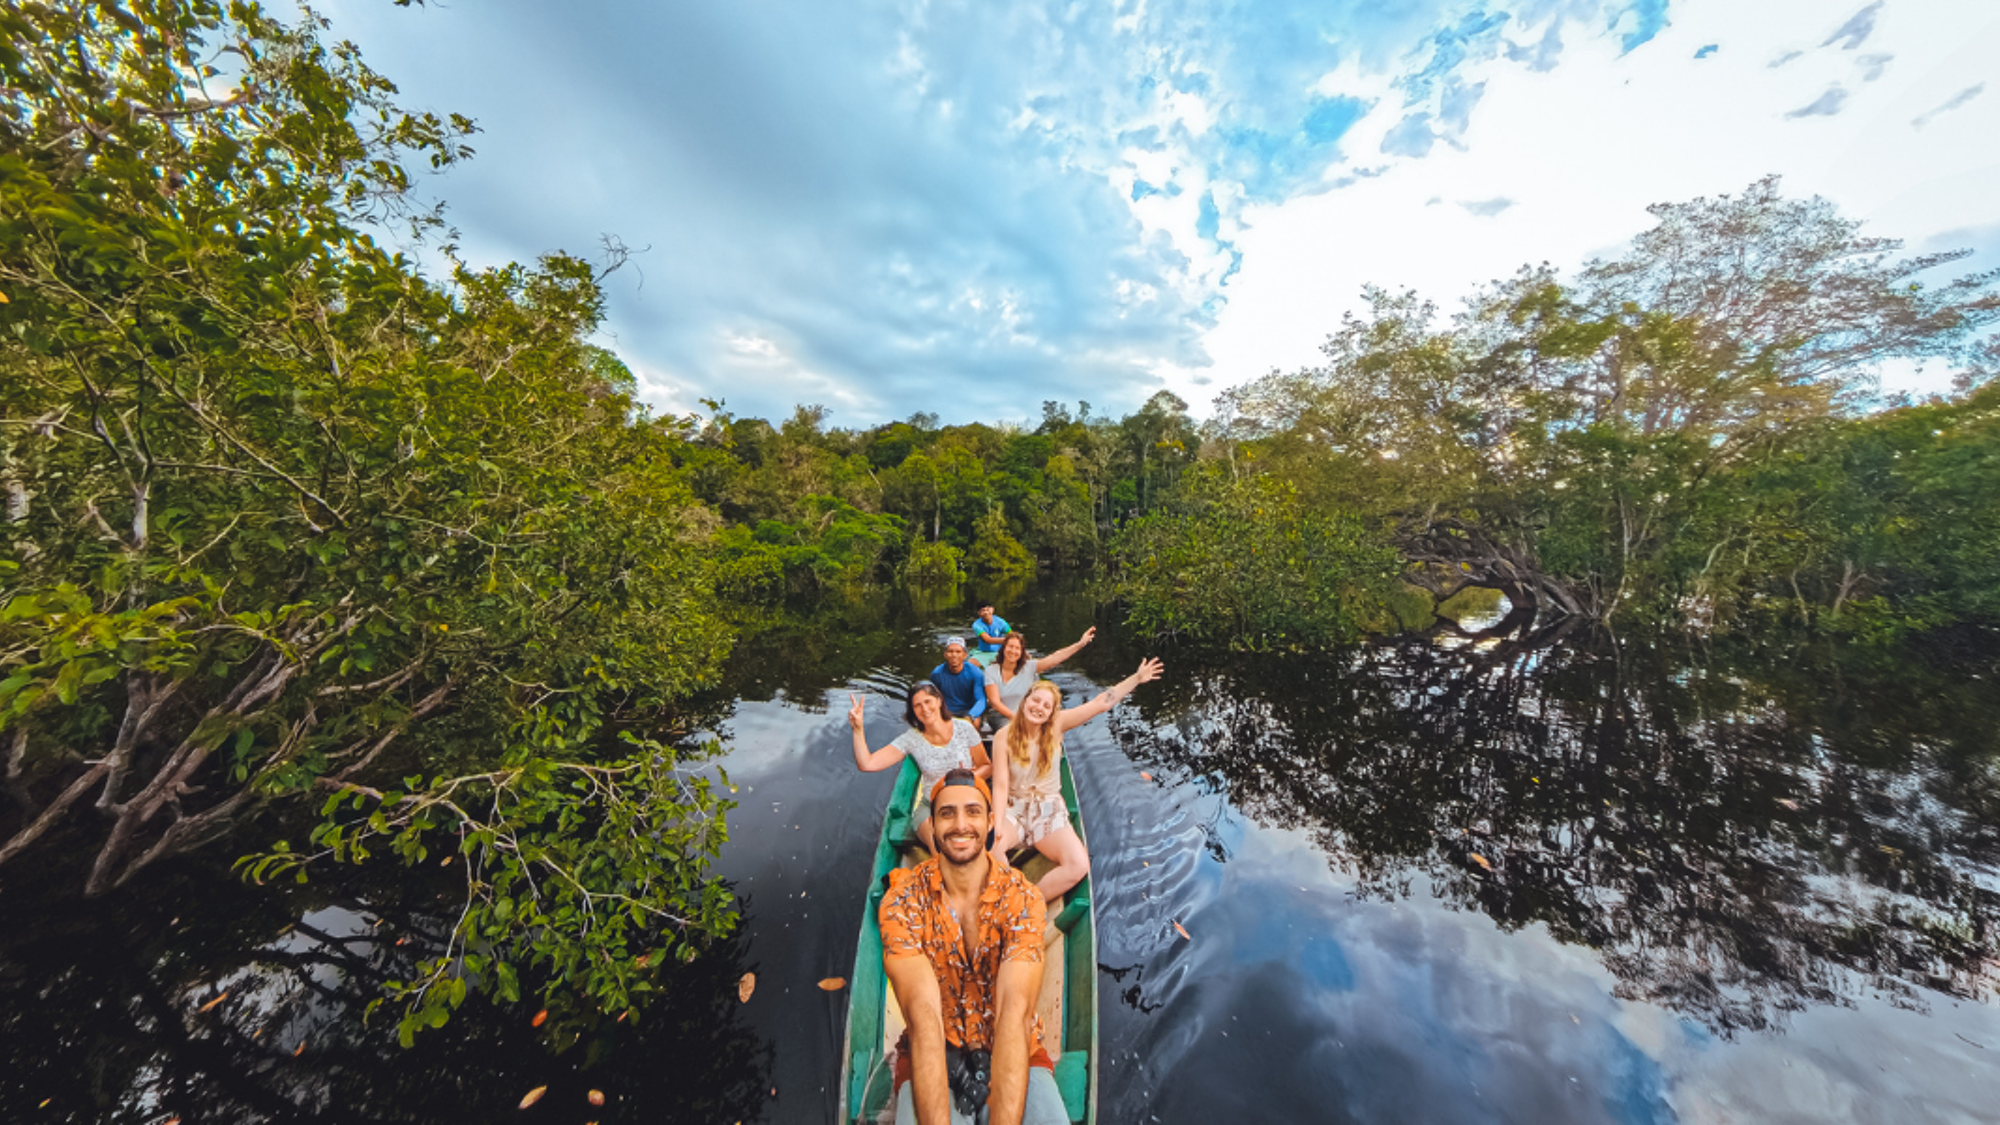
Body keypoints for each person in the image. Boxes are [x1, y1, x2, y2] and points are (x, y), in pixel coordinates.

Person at [880, 769, 1068, 1125]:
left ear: (991, 821)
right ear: (931, 825)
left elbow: (1015, 1011)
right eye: (947, 814)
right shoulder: (901, 901)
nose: (960, 824)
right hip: (933, 1049)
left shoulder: (1023, 899)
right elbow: (923, 1017)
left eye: (972, 811)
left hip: (1011, 1047)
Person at [993, 658, 1164, 902]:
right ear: (1025, 701)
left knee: (1078, 865)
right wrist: (998, 825)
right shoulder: (1003, 736)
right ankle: (1008, 895)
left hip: (1047, 809)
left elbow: (1101, 702)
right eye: (1035, 700)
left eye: (1046, 705)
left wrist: (1136, 678)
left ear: (1052, 712)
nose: (1039, 707)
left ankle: (1027, 904)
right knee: (990, 846)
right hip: (1015, 808)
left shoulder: (1057, 726)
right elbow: (999, 785)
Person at [850, 683, 1000, 853]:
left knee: (983, 842)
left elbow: (986, 766)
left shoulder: (964, 728)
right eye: (917, 705)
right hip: (931, 806)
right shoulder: (911, 739)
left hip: (965, 801)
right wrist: (858, 729)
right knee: (941, 846)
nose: (924, 709)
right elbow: (867, 763)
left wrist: (964, 781)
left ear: (939, 701)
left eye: (928, 702)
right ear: (913, 710)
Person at [982, 627, 1096, 730]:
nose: (1013, 651)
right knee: (1014, 732)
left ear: (1021, 652)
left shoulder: (1029, 667)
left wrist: (1080, 644)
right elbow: (995, 703)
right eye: (1010, 647)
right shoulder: (991, 671)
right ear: (1004, 648)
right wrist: (1017, 719)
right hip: (1002, 717)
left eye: (1017, 648)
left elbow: (1055, 658)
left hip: (1028, 714)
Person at [928, 637, 987, 722]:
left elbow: (981, 699)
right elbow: (932, 697)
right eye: (950, 651)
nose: (954, 655)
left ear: (965, 655)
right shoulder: (937, 674)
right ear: (945, 654)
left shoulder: (975, 673)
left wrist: (971, 716)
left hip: (967, 711)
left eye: (958, 652)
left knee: (976, 721)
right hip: (946, 711)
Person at [967, 601, 1012, 667]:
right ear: (979, 613)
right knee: (969, 665)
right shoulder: (977, 624)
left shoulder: (1000, 621)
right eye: (983, 610)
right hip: (983, 652)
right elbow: (988, 640)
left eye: (988, 609)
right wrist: (1007, 640)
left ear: (992, 609)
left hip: (1000, 652)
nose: (986, 612)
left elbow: (1010, 634)